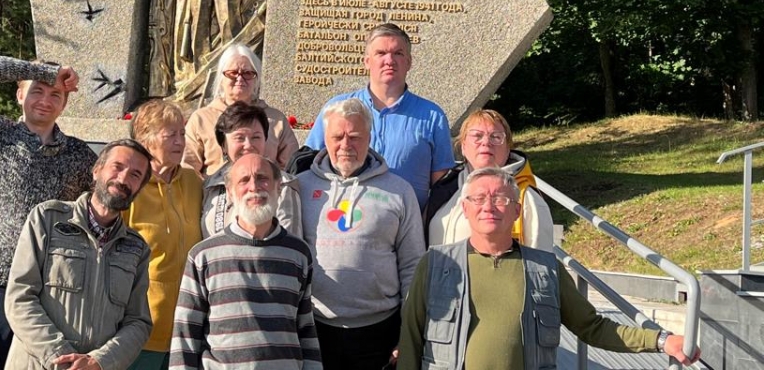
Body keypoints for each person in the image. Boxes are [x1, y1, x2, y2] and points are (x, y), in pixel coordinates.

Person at [397, 167, 702, 370]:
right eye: (478, 198)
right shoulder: (436, 264)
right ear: (465, 209)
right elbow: (411, 338)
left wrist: (661, 340)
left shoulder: (545, 269)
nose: (488, 206)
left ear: (517, 211)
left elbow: (592, 326)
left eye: (500, 198)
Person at [0, 54, 97, 370]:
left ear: (64, 104)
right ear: (20, 94)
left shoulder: (79, 155)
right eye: (37, 90)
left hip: (48, 294)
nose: (45, 100)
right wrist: (48, 72)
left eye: (55, 94)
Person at [4, 139, 154, 370]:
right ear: (96, 170)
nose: (123, 179)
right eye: (117, 167)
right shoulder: (47, 219)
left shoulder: (137, 249)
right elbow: (20, 298)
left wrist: (99, 361)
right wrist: (62, 357)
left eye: (135, 175)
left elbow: (138, 322)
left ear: (139, 188)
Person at [297, 97, 425, 370]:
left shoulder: (399, 191)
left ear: (369, 138)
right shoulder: (300, 187)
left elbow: (412, 264)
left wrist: (408, 330)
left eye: (354, 137)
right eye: (337, 137)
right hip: (316, 328)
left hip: (379, 329)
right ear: (325, 139)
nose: (346, 145)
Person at [169, 153, 322, 370]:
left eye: (262, 178)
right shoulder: (203, 255)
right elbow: (185, 333)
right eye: (244, 180)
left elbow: (306, 328)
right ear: (230, 193)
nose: (254, 187)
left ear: (278, 187)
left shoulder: (298, 254)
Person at [304, 23, 454, 209]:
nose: (389, 60)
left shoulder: (432, 117)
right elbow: (310, 165)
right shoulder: (336, 109)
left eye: (398, 53)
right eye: (381, 53)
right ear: (367, 61)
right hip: (341, 218)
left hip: (408, 222)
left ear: (409, 62)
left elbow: (441, 187)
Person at [124, 100, 204, 370]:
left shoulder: (193, 182)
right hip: (139, 329)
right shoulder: (129, 187)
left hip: (187, 327)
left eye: (182, 133)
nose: (180, 141)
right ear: (145, 139)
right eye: (170, 135)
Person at [425, 109, 553, 249]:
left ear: (508, 149)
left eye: (496, 137)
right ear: (463, 147)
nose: (486, 142)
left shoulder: (525, 197)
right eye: (477, 136)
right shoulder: (445, 188)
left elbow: (541, 257)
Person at [183, 43, 298, 175]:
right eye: (233, 73)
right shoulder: (201, 119)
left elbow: (292, 166)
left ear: (256, 79)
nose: (240, 78)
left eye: (247, 73)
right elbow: (187, 168)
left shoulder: (277, 120)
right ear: (221, 79)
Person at [200, 101, 302, 238]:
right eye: (239, 138)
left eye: (256, 137)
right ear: (223, 145)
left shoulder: (282, 184)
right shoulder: (210, 186)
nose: (248, 145)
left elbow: (289, 241)